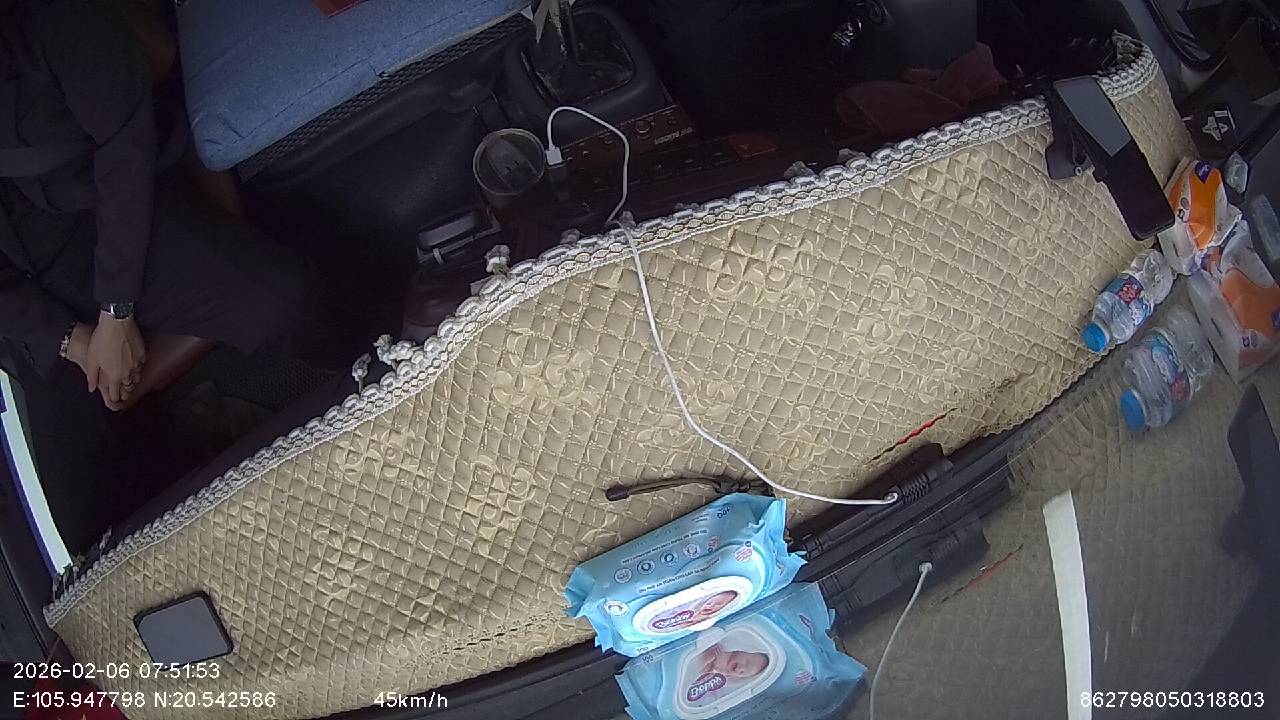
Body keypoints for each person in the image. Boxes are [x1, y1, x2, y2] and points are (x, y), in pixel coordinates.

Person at [0, 0, 365, 411]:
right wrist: (70, 340)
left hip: (111, 201)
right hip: (30, 288)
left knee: (281, 304)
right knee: (73, 422)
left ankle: (382, 373)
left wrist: (116, 311)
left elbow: (125, 148)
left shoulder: (51, 19)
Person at [698, 642, 770, 680]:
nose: (741, 668)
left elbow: (706, 672)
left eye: (743, 673)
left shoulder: (724, 673)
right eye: (747, 662)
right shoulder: (727, 650)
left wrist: (714, 668)